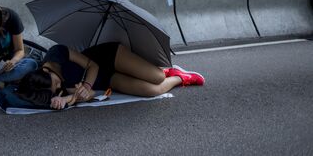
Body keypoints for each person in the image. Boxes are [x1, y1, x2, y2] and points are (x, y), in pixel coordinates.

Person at [17, 43, 204, 110]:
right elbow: (87, 96)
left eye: (56, 82)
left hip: (108, 57)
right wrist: (67, 98)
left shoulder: (57, 52)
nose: (59, 85)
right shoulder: (53, 89)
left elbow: (92, 65)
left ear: (45, 71)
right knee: (151, 90)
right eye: (56, 89)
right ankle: (181, 77)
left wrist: (87, 85)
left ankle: (165, 71)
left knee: (156, 77)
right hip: (106, 79)